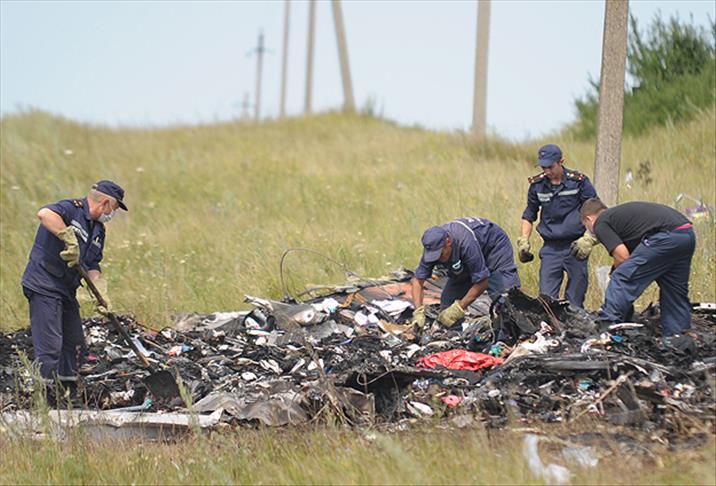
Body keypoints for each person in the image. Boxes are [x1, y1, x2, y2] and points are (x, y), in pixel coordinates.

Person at [21, 180, 127, 383]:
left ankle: (68, 392)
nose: (113, 214)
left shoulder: (98, 230)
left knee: (75, 345)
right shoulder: (71, 209)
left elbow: (93, 264)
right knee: (51, 346)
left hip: (66, 289)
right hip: (44, 284)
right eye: (114, 208)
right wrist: (67, 236)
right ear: (105, 203)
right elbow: (44, 214)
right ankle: (45, 397)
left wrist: (101, 292)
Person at [580, 198, 696, 337]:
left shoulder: (601, 223)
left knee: (621, 278)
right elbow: (630, 256)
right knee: (673, 290)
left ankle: (608, 328)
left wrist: (614, 273)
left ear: (589, 219)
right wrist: (615, 268)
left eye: (585, 225)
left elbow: (622, 257)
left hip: (664, 237)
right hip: (686, 234)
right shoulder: (621, 219)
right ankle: (678, 337)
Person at [517, 144, 598, 308]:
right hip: (551, 249)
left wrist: (589, 239)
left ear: (561, 162)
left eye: (550, 167)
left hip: (575, 246)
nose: (547, 171)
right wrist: (524, 239)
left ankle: (573, 329)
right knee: (546, 301)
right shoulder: (537, 185)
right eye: (543, 167)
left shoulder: (579, 182)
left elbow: (595, 210)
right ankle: (550, 331)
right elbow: (529, 214)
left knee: (574, 301)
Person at [411, 217, 521, 328]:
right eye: (434, 255)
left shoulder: (465, 243)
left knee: (505, 298)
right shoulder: (433, 247)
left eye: (440, 254)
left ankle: (518, 332)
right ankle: (454, 336)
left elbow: (483, 282)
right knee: (448, 301)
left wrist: (459, 308)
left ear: (448, 242)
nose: (438, 258)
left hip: (493, 247)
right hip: (465, 259)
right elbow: (418, 281)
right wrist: (418, 312)